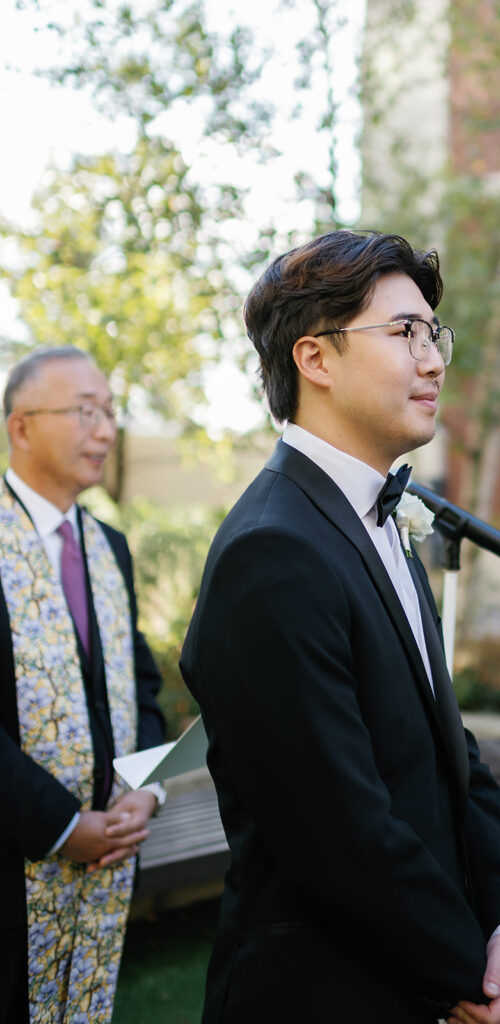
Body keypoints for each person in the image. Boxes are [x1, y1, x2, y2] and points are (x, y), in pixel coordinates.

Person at [180, 230, 500, 1024]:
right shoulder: (271, 550)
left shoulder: (377, 519)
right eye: (403, 333)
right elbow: (334, 829)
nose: (433, 360)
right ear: (314, 359)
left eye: (432, 334)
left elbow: (452, 751)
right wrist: (464, 969)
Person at [0, 347, 166, 1024]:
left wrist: (144, 788)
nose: (105, 430)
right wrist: (63, 824)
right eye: (84, 411)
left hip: (105, 867)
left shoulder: (108, 547)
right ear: (22, 427)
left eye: (110, 412)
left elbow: (141, 687)